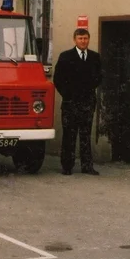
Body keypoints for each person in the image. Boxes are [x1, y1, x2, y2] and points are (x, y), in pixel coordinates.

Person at [52, 28, 102, 175]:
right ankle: (67, 166)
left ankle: (87, 166)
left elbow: (99, 77)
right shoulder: (66, 56)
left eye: (85, 38)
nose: (83, 41)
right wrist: (68, 95)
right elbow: (58, 79)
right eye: (80, 38)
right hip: (70, 103)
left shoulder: (94, 57)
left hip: (87, 102)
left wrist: (88, 90)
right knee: (69, 135)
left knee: (86, 135)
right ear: (75, 40)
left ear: (89, 39)